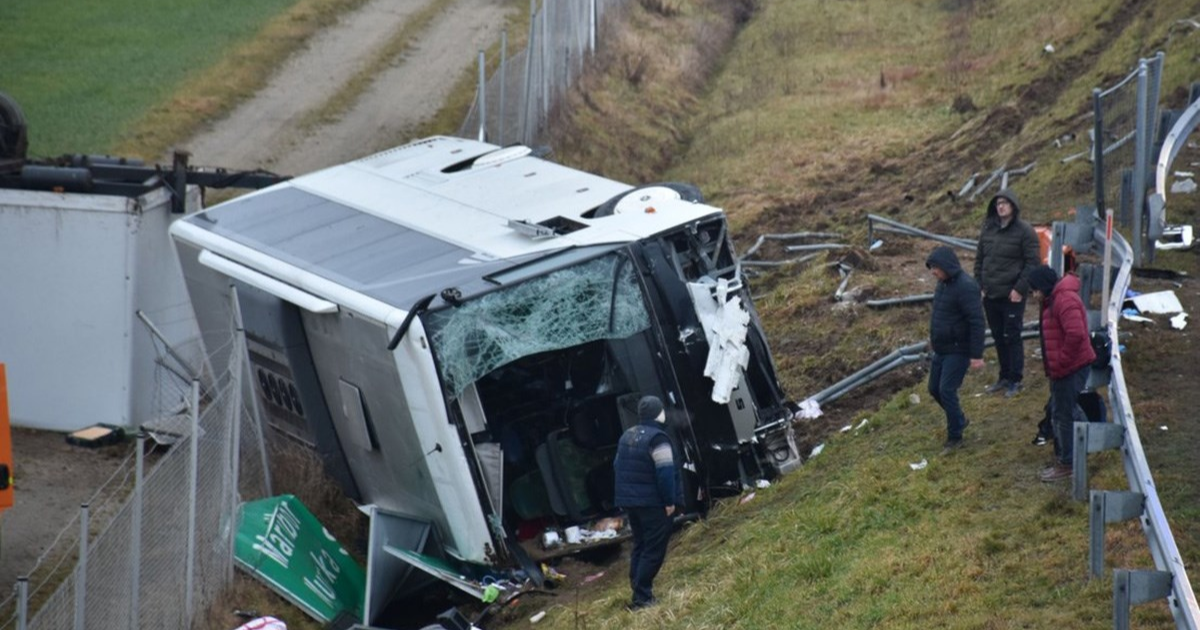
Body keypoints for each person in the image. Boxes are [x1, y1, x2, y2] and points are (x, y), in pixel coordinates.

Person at [1026, 265, 1095, 482]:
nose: (1034, 295)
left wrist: (1061, 361)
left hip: (1070, 367)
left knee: (1063, 414)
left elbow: (1075, 334)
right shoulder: (1054, 300)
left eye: (1035, 290)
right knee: (1063, 409)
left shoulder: (1064, 301)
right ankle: (1088, 442)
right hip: (1064, 368)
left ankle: (1068, 464)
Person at [613, 395, 682, 610]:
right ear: (658, 413)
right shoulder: (658, 439)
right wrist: (669, 501)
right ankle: (642, 597)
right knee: (653, 549)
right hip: (653, 503)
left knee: (640, 544)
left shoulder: (628, 435)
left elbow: (617, 466)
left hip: (631, 502)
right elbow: (665, 473)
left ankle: (636, 585)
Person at [974, 189, 1041, 398]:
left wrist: (1020, 289)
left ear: (1013, 205)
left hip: (1012, 295)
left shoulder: (1025, 231)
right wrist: (980, 285)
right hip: (990, 294)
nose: (1001, 206)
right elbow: (980, 259)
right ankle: (1003, 377)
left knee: (1012, 336)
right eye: (998, 203)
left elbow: (1032, 263)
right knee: (998, 336)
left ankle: (1015, 379)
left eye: (1004, 202)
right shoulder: (988, 229)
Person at [925, 247, 986, 452]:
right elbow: (939, 314)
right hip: (941, 347)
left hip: (958, 348)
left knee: (946, 390)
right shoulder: (942, 284)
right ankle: (959, 419)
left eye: (935, 267)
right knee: (934, 389)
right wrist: (933, 338)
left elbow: (977, 321)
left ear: (946, 266)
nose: (933, 272)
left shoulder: (966, 287)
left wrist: (976, 355)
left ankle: (955, 436)